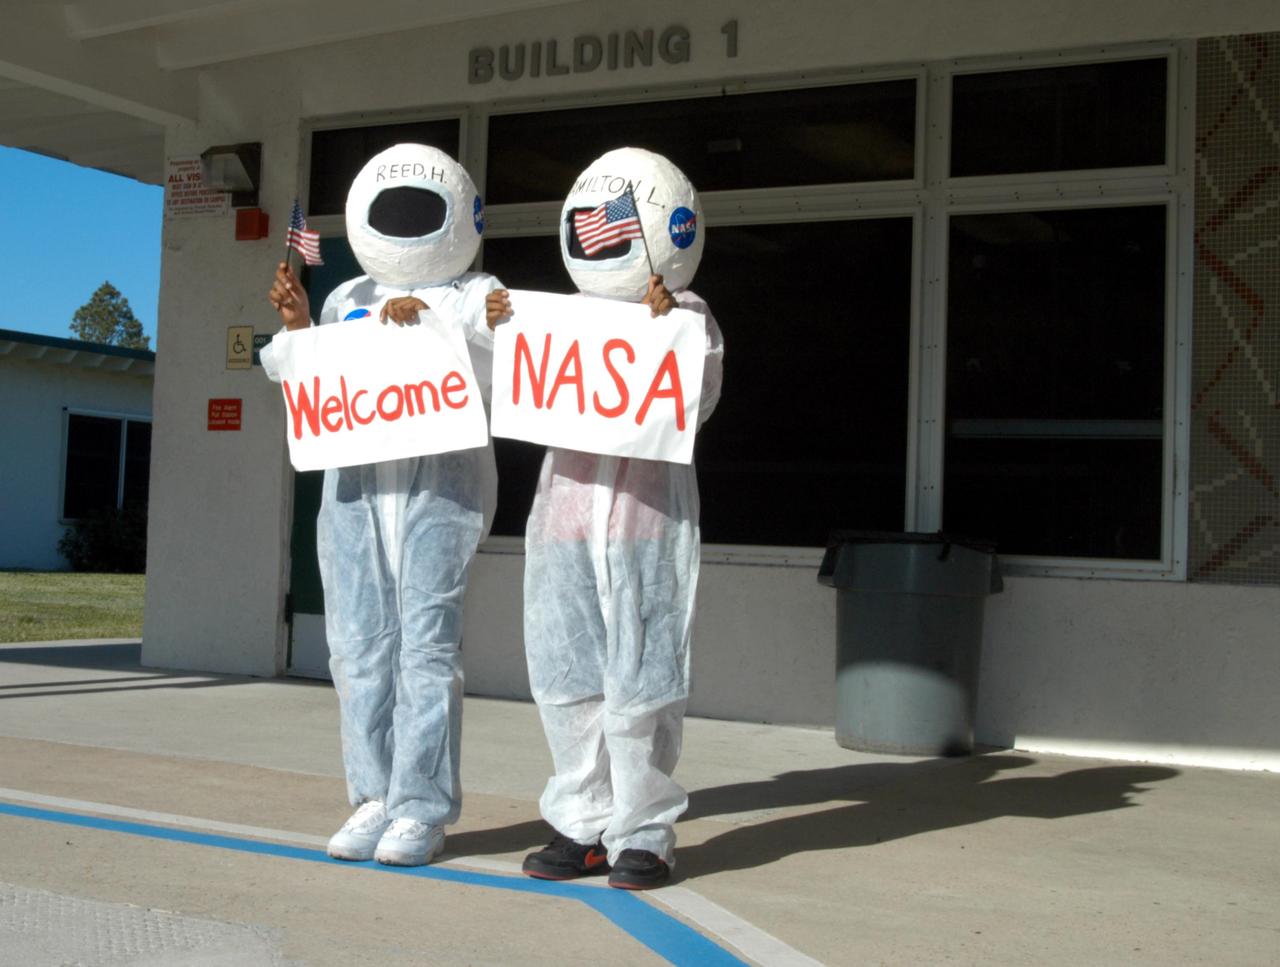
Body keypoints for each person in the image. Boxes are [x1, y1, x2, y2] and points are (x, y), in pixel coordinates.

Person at [261, 143, 511, 866]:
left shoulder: (475, 289)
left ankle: (420, 809)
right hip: (357, 494)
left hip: (439, 491)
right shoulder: (346, 296)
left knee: (426, 650)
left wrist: (435, 322)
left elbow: (503, 359)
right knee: (358, 648)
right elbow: (314, 379)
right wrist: (301, 326)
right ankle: (373, 795)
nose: (404, 221)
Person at [519, 148, 724, 890]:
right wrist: (496, 326)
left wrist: (666, 324)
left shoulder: (686, 316)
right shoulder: (558, 321)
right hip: (568, 519)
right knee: (568, 676)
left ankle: (643, 831)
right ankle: (581, 822)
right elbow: (504, 382)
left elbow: (698, 396)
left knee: (644, 679)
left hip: (644, 523)